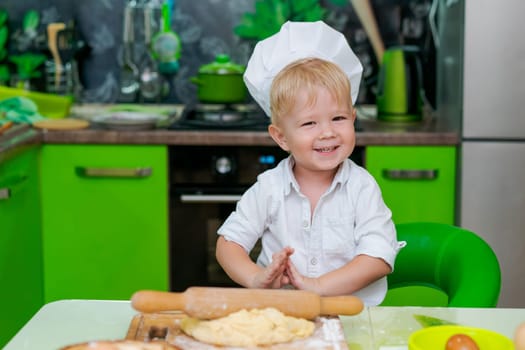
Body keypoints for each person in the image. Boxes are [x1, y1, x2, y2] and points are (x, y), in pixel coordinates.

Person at [215, 21, 403, 306]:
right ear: (281, 137)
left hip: (350, 318)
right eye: (309, 123)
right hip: (282, 317)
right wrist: (256, 278)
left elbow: (378, 258)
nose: (327, 132)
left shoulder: (361, 187)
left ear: (353, 119)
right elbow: (228, 245)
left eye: (338, 118)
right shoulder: (269, 188)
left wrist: (318, 286)